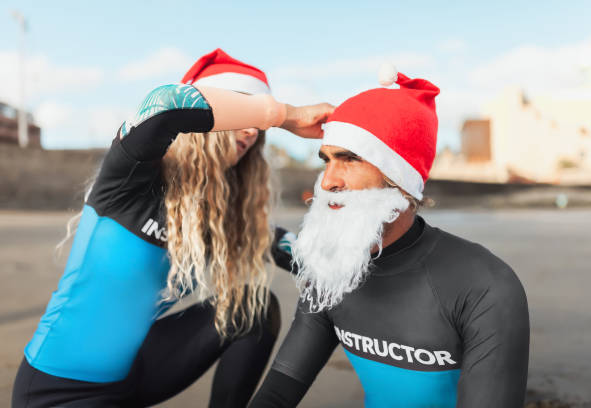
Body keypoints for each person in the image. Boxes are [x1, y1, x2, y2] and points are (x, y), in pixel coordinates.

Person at [12, 49, 334, 408]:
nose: (251, 129)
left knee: (253, 311)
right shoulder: (132, 175)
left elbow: (300, 252)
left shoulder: (220, 214)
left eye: (257, 125)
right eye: (243, 109)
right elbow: (164, 105)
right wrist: (282, 115)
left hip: (135, 375)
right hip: (57, 389)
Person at [250, 66, 530, 408]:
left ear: (398, 177)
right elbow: (278, 392)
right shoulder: (331, 272)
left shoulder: (484, 284)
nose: (327, 182)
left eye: (349, 159)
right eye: (326, 161)